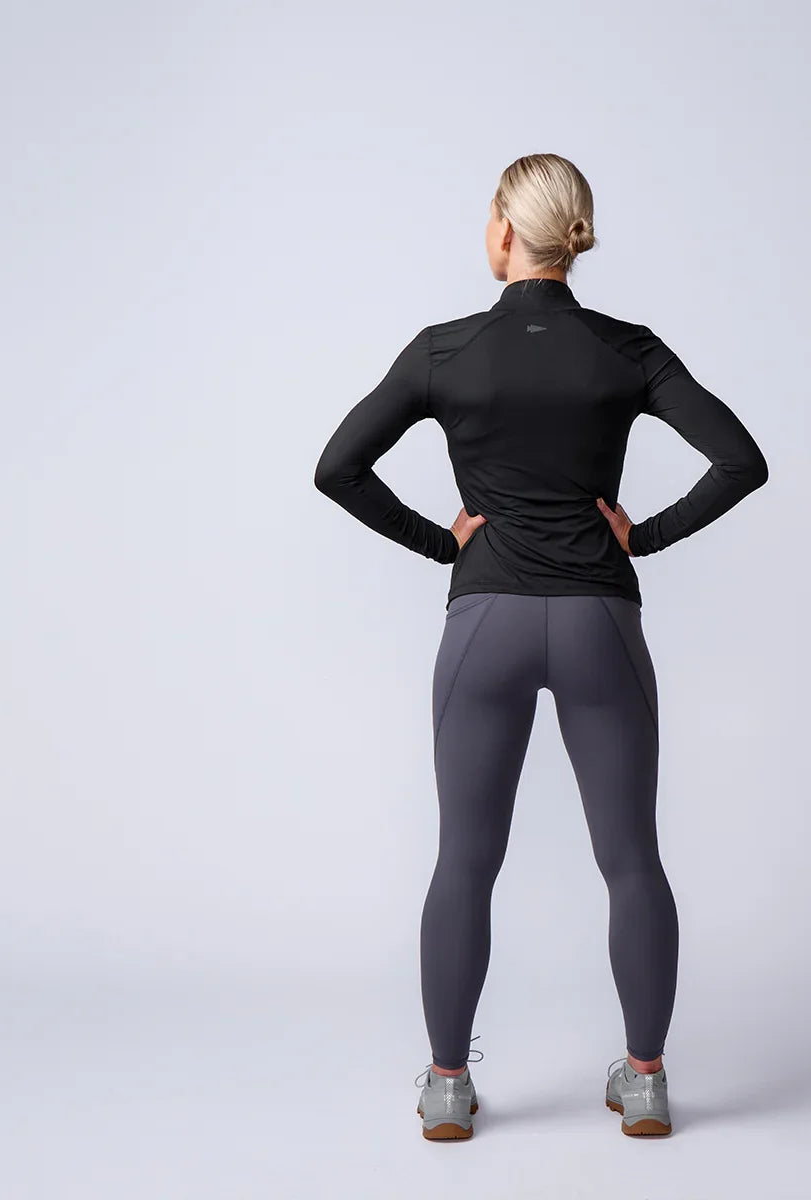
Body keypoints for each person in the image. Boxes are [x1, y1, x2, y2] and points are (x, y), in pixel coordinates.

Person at [313, 153, 769, 1140]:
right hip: (601, 621)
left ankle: (446, 1084)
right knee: (632, 859)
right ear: (573, 236)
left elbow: (337, 468)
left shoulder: (444, 352)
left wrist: (447, 541)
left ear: (505, 232)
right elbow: (741, 461)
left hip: (488, 626)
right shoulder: (628, 351)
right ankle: (643, 1079)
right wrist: (639, 533)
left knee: (465, 862)